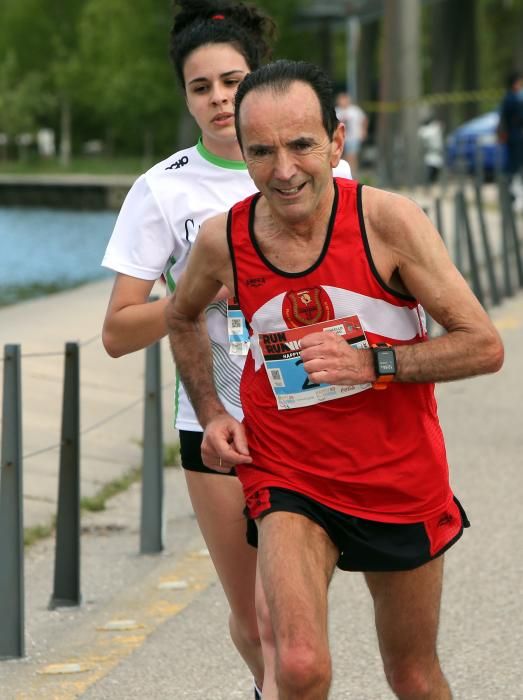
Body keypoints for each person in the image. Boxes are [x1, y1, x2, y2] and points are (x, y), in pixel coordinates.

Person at [166, 59, 504, 700]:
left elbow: (484, 346)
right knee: (296, 665)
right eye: (262, 151)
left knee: (413, 677)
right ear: (242, 152)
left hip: (395, 472)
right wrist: (212, 410)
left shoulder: (389, 223)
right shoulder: (224, 240)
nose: (284, 170)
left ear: (337, 142)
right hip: (287, 469)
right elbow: (182, 316)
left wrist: (379, 361)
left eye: (301, 146)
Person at [101, 5, 351, 699]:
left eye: (231, 80)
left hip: (310, 409)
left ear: (257, 78)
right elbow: (117, 332)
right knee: (253, 616)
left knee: (291, 616)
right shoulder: (162, 188)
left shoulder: (312, 162)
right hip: (217, 420)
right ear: (184, 95)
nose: (217, 98)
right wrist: (199, 297)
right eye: (199, 86)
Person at [498, 70, 523, 210]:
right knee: (515, 168)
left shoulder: (509, 98)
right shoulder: (513, 99)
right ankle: (514, 196)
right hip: (516, 138)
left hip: (515, 137)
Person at [335, 90, 368, 175]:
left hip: (353, 137)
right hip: (339, 138)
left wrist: (364, 131)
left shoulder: (355, 110)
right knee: (340, 156)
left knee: (352, 156)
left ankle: (353, 173)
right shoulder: (336, 111)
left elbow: (364, 120)